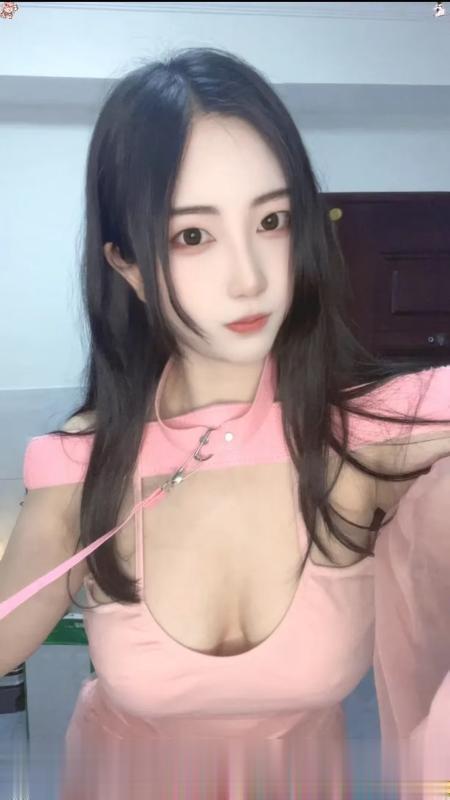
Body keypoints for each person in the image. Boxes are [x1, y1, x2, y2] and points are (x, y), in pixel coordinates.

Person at [1, 46, 450, 800]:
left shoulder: (371, 436)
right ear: (127, 265)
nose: (249, 276)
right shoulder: (82, 465)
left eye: (272, 220)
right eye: (193, 236)